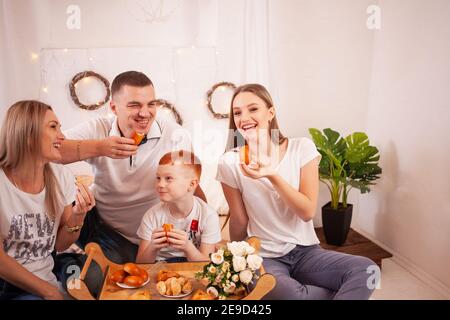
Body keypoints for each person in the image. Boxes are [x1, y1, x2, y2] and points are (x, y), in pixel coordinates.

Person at [216, 84, 377, 300]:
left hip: (305, 252)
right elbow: (239, 219)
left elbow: (307, 212)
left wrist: (271, 175)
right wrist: (234, 259)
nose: (244, 117)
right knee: (291, 295)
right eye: (237, 112)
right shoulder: (229, 162)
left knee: (368, 271)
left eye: (253, 109)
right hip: (264, 256)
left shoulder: (301, 148)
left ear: (270, 112)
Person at [58, 71, 206, 264]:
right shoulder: (97, 129)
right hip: (104, 226)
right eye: (134, 105)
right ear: (113, 107)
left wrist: (207, 237)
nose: (145, 113)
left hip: (151, 233)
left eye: (151, 104)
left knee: (132, 269)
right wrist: (100, 147)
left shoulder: (175, 135)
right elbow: (48, 148)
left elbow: (192, 188)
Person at [0, 100, 94, 300]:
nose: (62, 136)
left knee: (94, 276)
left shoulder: (60, 176)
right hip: (11, 285)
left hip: (51, 273)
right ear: (28, 137)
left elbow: (60, 244)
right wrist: (49, 292)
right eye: (53, 127)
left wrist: (79, 215)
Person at [136, 150, 221, 263]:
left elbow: (206, 264)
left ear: (192, 184)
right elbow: (140, 263)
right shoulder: (152, 215)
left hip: (193, 265)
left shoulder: (208, 216)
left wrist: (187, 247)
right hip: (160, 265)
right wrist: (152, 247)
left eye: (168, 178)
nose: (160, 184)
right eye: (158, 178)